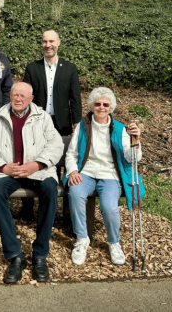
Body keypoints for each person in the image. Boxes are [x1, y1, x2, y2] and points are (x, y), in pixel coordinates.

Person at [0, 82, 65, 284]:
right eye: (15, 95)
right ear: (10, 96)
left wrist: (37, 164)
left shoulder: (43, 117)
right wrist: (2, 167)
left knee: (50, 189)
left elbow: (56, 144)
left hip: (36, 170)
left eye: (22, 96)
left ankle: (40, 254)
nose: (18, 99)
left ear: (31, 99)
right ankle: (15, 254)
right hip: (7, 171)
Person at [61, 87, 144, 266]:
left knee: (109, 206)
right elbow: (71, 154)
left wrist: (135, 141)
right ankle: (82, 239)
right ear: (92, 105)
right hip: (86, 172)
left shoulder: (120, 129)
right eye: (97, 104)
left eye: (105, 104)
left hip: (110, 174)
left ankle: (114, 243)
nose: (101, 107)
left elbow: (132, 158)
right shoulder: (83, 126)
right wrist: (73, 171)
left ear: (111, 107)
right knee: (75, 194)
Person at [19, 29, 82, 221]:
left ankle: (55, 209)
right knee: (31, 159)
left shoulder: (70, 68)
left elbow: (75, 99)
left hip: (61, 124)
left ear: (58, 43)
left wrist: (77, 124)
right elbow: (25, 97)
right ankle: (27, 206)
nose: (48, 45)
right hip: (36, 122)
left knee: (57, 164)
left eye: (51, 41)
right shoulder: (33, 68)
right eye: (45, 41)